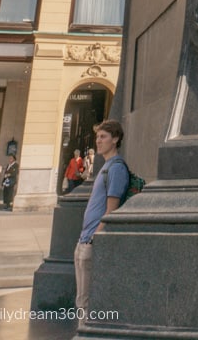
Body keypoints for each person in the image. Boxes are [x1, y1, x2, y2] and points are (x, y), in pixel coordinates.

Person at [74, 120, 129, 316]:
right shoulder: (106, 167)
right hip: (85, 237)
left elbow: (111, 209)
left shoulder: (116, 168)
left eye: (103, 137)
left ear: (115, 139)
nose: (98, 141)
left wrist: (95, 236)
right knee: (81, 299)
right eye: (97, 137)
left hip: (91, 239)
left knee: (86, 300)